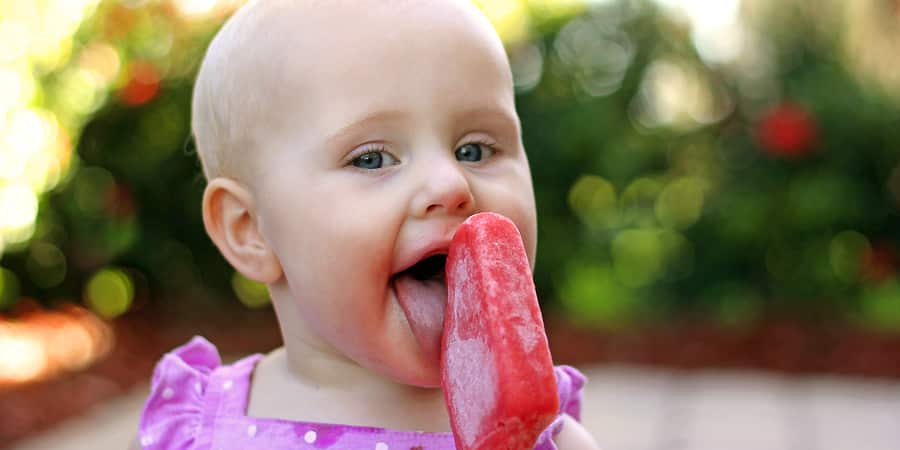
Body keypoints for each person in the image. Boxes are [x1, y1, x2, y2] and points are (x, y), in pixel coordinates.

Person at [133, 0, 600, 448]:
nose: (449, 184)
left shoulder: (545, 438)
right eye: (373, 158)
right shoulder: (199, 432)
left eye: (474, 150)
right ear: (250, 230)